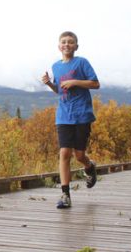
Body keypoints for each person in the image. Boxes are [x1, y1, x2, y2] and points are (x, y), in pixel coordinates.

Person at [41, 31, 100, 209]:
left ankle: (89, 167)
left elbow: (95, 84)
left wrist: (75, 81)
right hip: (64, 115)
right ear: (59, 46)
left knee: (79, 155)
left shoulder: (82, 62)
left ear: (76, 46)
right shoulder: (55, 66)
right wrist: (49, 84)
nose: (67, 44)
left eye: (70, 42)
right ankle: (65, 195)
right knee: (64, 153)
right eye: (64, 42)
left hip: (82, 114)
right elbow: (60, 90)